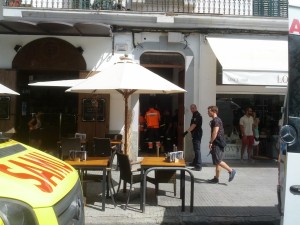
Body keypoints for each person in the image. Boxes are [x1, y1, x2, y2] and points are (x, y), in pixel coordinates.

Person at [207, 105, 236, 183]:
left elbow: (215, 132)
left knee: (218, 161)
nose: (208, 113)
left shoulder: (216, 121)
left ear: (214, 111)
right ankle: (216, 178)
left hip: (217, 143)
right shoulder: (217, 120)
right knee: (218, 162)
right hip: (219, 143)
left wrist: (211, 142)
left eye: (209, 111)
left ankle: (231, 170)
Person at [183, 104, 203, 171]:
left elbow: (194, 125)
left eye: (193, 108)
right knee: (195, 149)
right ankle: (195, 162)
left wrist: (186, 132)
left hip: (197, 134)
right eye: (191, 108)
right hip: (195, 134)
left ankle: (198, 165)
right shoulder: (194, 115)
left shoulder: (197, 115)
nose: (192, 109)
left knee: (197, 149)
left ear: (196, 108)